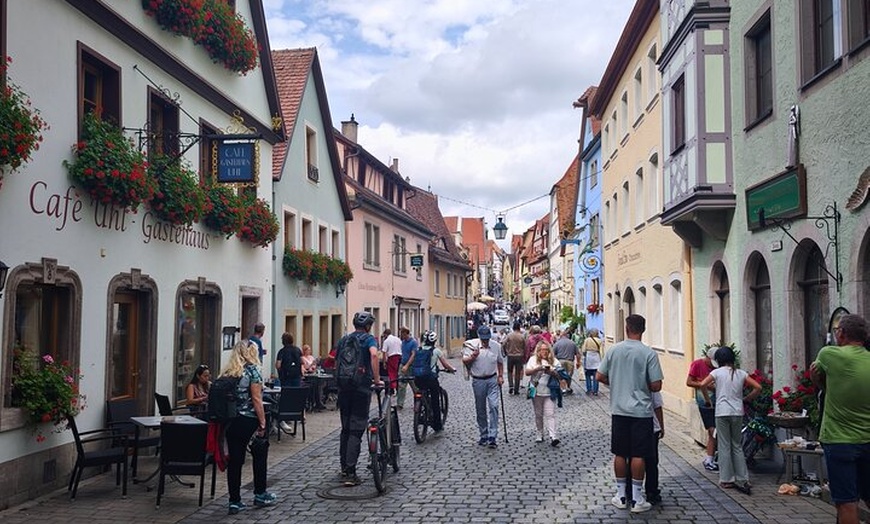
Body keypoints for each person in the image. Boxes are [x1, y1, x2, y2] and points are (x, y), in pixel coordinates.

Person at [596, 314, 663, 514]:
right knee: (639, 454)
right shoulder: (648, 353)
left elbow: (600, 376)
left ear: (626, 328)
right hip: (641, 411)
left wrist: (615, 383)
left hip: (619, 409)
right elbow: (656, 385)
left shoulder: (613, 350)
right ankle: (637, 497)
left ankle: (621, 495)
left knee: (620, 452)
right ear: (643, 329)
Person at [811, 314, 870, 524]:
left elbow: (816, 377)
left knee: (847, 502)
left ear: (841, 334)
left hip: (839, 440)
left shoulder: (829, 355)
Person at [220, 340, 275, 514]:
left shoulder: (228, 372)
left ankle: (234, 501)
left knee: (235, 461)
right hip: (249, 419)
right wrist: (263, 422)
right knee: (259, 454)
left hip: (231, 421)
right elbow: (256, 399)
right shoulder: (253, 371)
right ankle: (260, 493)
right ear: (252, 352)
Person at [700, 345, 760, 495]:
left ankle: (727, 479)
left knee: (724, 445)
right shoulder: (741, 373)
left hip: (721, 412)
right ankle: (742, 477)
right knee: (737, 445)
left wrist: (708, 400)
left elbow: (702, 384)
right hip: (737, 412)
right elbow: (758, 387)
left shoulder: (716, 372)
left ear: (719, 360)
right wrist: (745, 399)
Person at [337, 311, 382, 487]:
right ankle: (350, 472)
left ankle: (343, 466)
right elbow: (373, 355)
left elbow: (336, 358)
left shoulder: (344, 339)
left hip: (343, 388)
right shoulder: (369, 339)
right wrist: (377, 380)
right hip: (361, 388)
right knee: (356, 428)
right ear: (368, 326)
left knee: (345, 428)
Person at [403, 331, 457, 434]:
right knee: (435, 401)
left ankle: (420, 410)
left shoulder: (419, 350)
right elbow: (445, 365)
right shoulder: (436, 351)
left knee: (421, 392)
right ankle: (437, 425)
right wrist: (452, 369)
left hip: (418, 379)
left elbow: (413, 361)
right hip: (431, 379)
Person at [462, 325, 504, 448]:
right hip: (478, 380)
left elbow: (500, 362)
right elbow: (465, 361)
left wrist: (500, 376)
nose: (485, 341)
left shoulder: (496, 346)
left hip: (492, 379)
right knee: (480, 409)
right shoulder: (471, 345)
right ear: (480, 337)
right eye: (483, 339)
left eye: (487, 339)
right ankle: (483, 434)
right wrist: (473, 356)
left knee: (494, 406)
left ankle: (493, 436)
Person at [524, 340, 563, 446]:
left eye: (546, 350)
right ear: (538, 350)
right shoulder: (533, 360)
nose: (544, 352)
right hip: (536, 390)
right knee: (538, 413)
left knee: (550, 414)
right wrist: (537, 369)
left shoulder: (554, 361)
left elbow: (560, 376)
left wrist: (551, 372)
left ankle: (553, 435)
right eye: (542, 350)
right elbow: (527, 372)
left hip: (550, 391)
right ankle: (539, 432)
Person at [687, 347, 719, 471]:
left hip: (717, 402)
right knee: (712, 431)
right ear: (708, 357)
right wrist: (702, 385)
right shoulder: (697, 364)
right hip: (704, 403)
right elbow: (689, 382)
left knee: (714, 433)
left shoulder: (717, 367)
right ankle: (710, 459)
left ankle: (710, 458)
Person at [645, 391, 664, 505]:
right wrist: (661, 426)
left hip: (631, 424)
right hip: (651, 426)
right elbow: (657, 406)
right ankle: (652, 491)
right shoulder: (652, 384)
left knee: (632, 458)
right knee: (652, 461)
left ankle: (629, 490)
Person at [502, 321, 527, 395]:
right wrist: (523, 354)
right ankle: (516, 389)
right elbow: (525, 347)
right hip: (519, 356)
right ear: (519, 327)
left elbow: (503, 344)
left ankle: (511, 386)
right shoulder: (522, 336)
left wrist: (505, 352)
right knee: (518, 373)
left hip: (510, 355)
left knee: (509, 371)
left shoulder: (509, 335)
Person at [552, 329, 579, 394]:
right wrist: (578, 362)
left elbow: (553, 353)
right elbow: (577, 354)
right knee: (568, 376)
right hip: (570, 361)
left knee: (561, 375)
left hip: (560, 361)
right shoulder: (572, 343)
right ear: (567, 335)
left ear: (561, 336)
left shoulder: (557, 343)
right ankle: (568, 387)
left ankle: (563, 388)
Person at [396, 327, 418, 409]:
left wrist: (407, 365)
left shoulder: (413, 342)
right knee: (401, 385)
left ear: (406, 333)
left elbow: (413, 355)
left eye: (402, 333)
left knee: (415, 386)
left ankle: (418, 403)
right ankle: (400, 404)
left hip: (411, 367)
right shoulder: (403, 342)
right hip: (403, 365)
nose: (401, 335)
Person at [380, 328, 402, 394]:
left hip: (392, 358)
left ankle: (392, 389)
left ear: (386, 334)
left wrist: (384, 362)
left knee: (391, 373)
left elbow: (384, 352)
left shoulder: (387, 341)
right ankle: (398, 389)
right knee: (397, 373)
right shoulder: (398, 339)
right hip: (399, 357)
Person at [582, 328, 603, 396]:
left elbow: (583, 350)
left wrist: (585, 355)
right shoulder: (599, 340)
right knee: (596, 375)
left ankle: (589, 389)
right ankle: (595, 390)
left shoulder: (587, 340)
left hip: (589, 357)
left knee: (588, 375)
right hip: (596, 357)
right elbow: (601, 352)